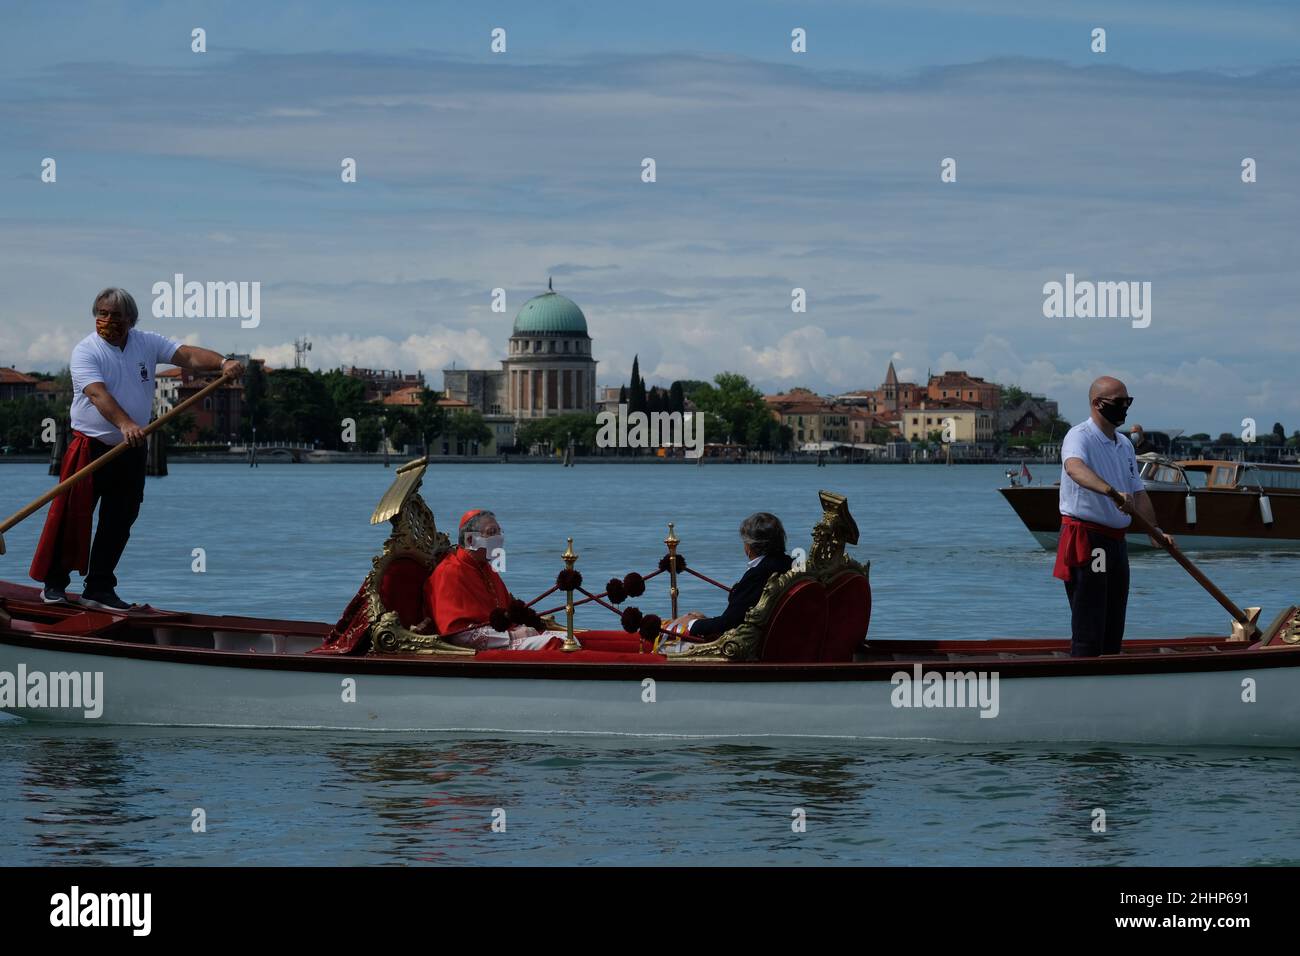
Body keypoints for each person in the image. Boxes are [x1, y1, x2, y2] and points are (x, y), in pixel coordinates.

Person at [29, 288, 243, 610]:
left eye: (115, 315)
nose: (107, 320)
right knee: (73, 514)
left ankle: (98, 588)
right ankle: (55, 585)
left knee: (120, 518)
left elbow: (186, 355)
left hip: (131, 448)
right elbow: (98, 395)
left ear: (130, 318)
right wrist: (125, 424)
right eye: (102, 313)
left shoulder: (146, 342)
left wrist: (223, 362)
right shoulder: (86, 351)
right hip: (91, 445)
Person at [1054, 376, 1172, 657]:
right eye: (1119, 403)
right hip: (1089, 540)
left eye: (1128, 402)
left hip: (1116, 543)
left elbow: (1138, 492)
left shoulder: (1125, 445)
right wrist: (1110, 492)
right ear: (1097, 404)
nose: (1125, 408)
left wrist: (1154, 530)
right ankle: (1085, 678)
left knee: (1114, 619)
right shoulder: (1079, 436)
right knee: (1091, 619)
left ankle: (1109, 671)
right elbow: (1074, 468)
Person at [415, 510, 558, 650]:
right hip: (477, 649)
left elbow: (507, 614)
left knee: (568, 639)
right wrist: (512, 636)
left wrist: (529, 623)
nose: (499, 538)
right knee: (554, 644)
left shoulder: (485, 568)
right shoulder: (449, 572)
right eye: (491, 533)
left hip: (504, 637)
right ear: (470, 540)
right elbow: (458, 635)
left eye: (499, 532)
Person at [664, 512, 793, 647]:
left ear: (750, 545)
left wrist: (692, 624)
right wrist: (705, 620)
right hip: (777, 640)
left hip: (746, 647)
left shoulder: (758, 575)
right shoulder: (789, 565)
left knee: (667, 632)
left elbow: (728, 625)